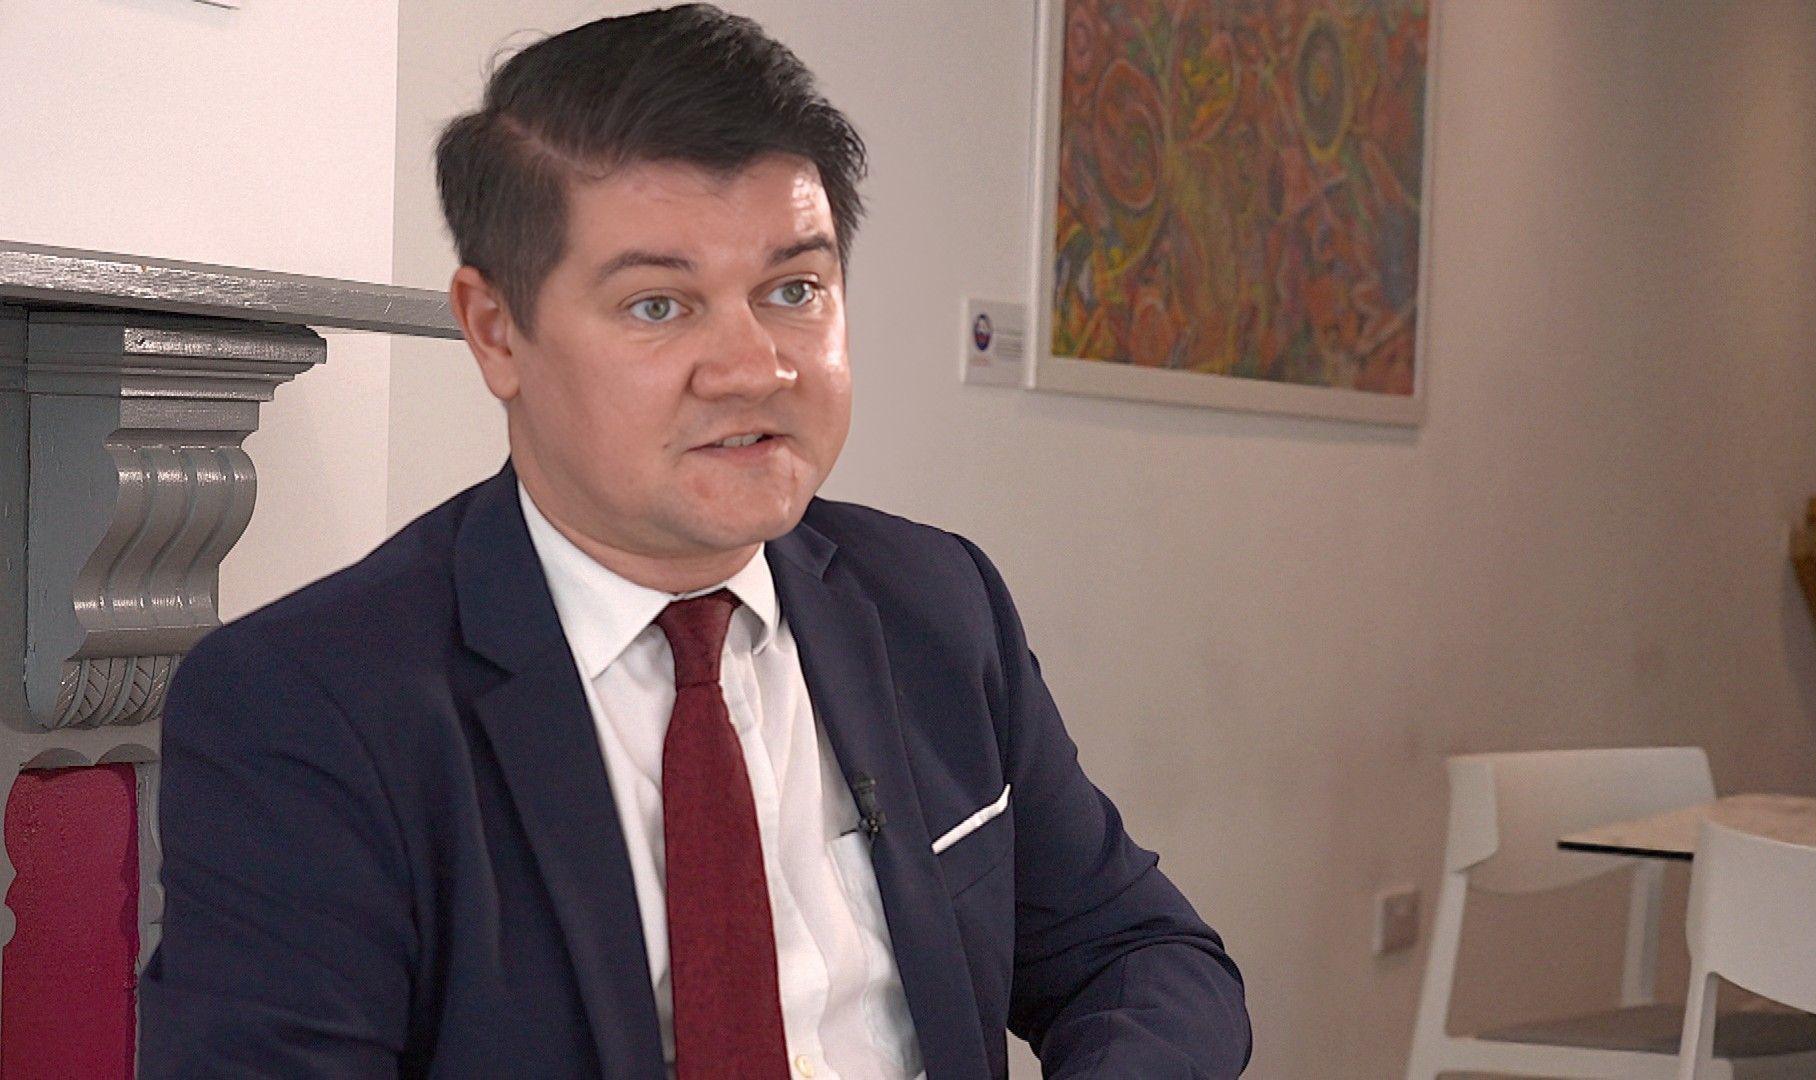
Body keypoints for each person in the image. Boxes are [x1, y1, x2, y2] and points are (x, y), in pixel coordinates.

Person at [137, 6, 1251, 1078]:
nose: (754, 366)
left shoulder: (933, 602)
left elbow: (1140, 957)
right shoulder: (310, 701)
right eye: (659, 307)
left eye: (793, 289)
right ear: (495, 330)